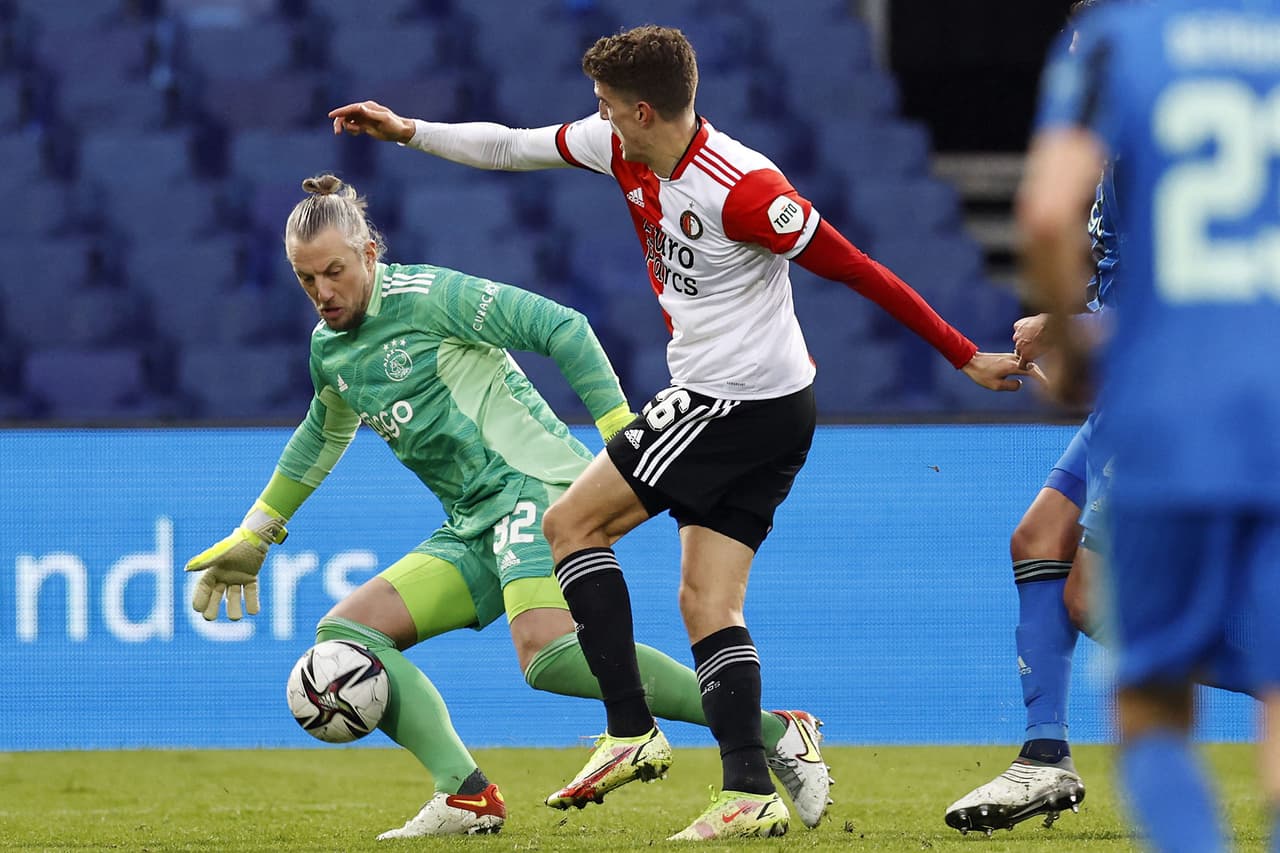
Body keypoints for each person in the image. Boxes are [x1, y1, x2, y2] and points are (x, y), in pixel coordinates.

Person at [329, 24, 1035, 840]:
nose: (593, 117)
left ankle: (630, 730)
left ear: (643, 108)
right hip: (771, 407)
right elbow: (512, 147)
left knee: (570, 523)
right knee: (707, 599)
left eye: (605, 105)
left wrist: (962, 356)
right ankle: (751, 781)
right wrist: (409, 130)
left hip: (732, 402)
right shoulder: (619, 146)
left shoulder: (742, 188)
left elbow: (856, 266)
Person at [182, 174, 833, 841]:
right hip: (471, 522)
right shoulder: (330, 350)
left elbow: (563, 327)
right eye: (305, 280)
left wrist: (621, 439)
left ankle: (778, 732)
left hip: (535, 486)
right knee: (347, 636)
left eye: (334, 272)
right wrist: (258, 532)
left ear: (370, 252)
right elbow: (321, 435)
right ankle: (464, 793)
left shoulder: (430, 296)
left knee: (547, 655)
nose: (322, 293)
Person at [1018, 1, 1280, 850]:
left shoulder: (1119, 47)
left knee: (1147, 681)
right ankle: (1043, 751)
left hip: (1167, 393)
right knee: (1039, 540)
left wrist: (1077, 340)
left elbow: (1046, 215)